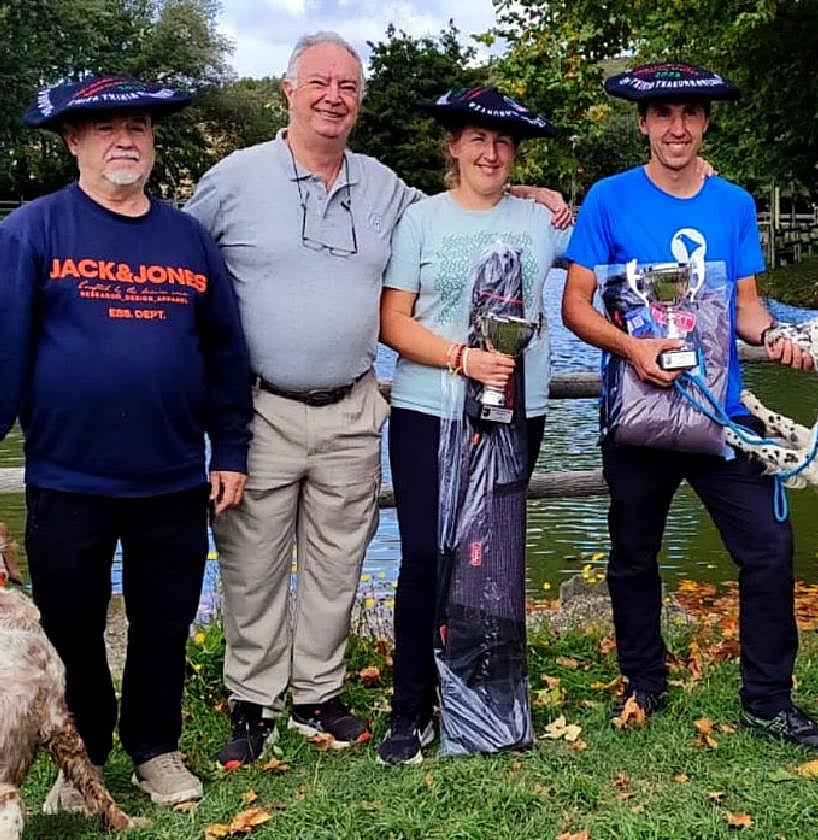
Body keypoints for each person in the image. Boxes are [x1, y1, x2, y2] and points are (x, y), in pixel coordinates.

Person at [186, 32, 571, 770]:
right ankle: (252, 701)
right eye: (321, 83)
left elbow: (473, 202)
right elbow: (180, 251)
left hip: (352, 405)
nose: (335, 96)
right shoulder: (236, 178)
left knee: (338, 559)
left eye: (349, 86)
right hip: (263, 404)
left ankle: (320, 694)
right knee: (254, 558)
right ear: (289, 90)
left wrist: (528, 195)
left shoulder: (385, 188)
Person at [560, 62, 818, 750]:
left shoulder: (734, 204)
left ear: (705, 122)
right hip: (639, 412)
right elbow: (574, 306)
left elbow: (746, 308)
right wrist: (631, 347)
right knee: (632, 556)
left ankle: (768, 700)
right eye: (663, 115)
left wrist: (774, 335)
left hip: (721, 415)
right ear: (644, 124)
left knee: (770, 550)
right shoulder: (607, 200)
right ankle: (644, 683)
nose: (676, 127)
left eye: (689, 114)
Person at [0, 76, 252, 807]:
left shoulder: (190, 240)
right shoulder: (32, 232)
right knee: (72, 628)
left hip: (172, 477)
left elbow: (225, 356)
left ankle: (157, 752)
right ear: (73, 141)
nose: (125, 140)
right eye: (106, 128)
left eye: (138, 126)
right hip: (68, 477)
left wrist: (229, 449)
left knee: (163, 624)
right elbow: (5, 357)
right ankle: (85, 765)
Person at [376, 86, 568, 764]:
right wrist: (461, 358)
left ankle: (487, 702)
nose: (491, 150)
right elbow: (392, 322)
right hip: (432, 409)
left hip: (517, 415)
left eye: (504, 141)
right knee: (429, 556)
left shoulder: (542, 221)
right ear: (452, 146)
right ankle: (411, 710)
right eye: (476, 138)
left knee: (492, 562)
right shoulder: (420, 221)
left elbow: (609, 249)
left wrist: (545, 194)